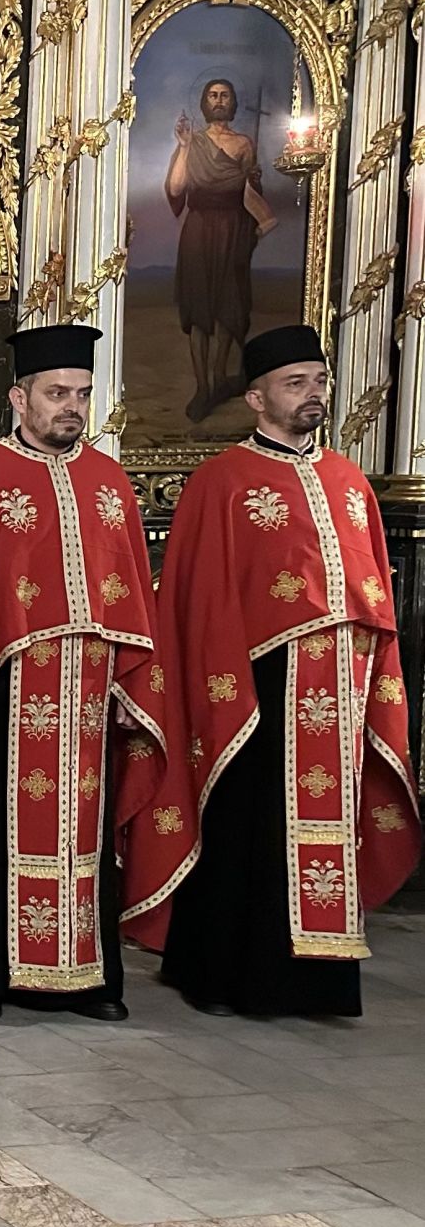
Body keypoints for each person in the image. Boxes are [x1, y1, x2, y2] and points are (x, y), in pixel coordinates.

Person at [0, 325, 192, 1023]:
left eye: (81, 394)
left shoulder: (109, 482)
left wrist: (130, 687)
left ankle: (87, 980)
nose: (71, 407)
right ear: (21, 399)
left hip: (88, 692)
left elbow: (131, 599)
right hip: (0, 690)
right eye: (57, 394)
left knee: (87, 834)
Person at [130, 325, 418, 1016]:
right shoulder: (222, 482)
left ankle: (318, 981)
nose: (312, 395)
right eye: (295, 384)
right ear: (257, 399)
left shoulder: (350, 482)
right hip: (254, 690)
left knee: (331, 832)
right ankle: (229, 977)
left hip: (342, 689)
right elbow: (200, 599)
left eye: (319, 382)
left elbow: (372, 590)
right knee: (249, 829)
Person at [166, 79, 279, 421]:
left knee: (229, 307)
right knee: (199, 310)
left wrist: (255, 184)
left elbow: (250, 191)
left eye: (224, 95)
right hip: (199, 231)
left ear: (232, 102)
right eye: (212, 95)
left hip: (233, 232)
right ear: (204, 102)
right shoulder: (194, 142)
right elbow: (176, 187)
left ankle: (219, 377)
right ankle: (202, 387)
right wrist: (184, 147)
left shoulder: (244, 144)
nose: (218, 101)